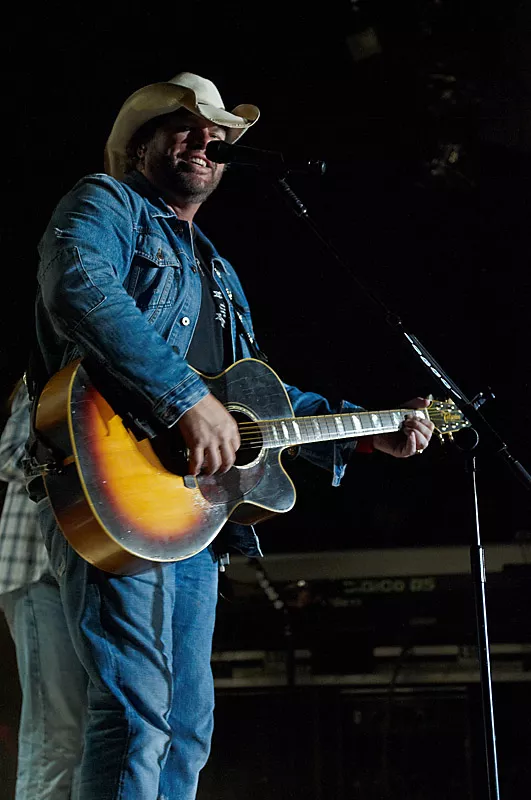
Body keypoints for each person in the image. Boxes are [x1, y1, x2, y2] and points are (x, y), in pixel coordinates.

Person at [27, 71, 434, 799]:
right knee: (134, 718)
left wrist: (371, 433)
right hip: (120, 488)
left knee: (186, 729)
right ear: (139, 144)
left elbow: (259, 399)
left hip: (195, 514)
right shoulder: (106, 202)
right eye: (182, 125)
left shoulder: (219, 269)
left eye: (216, 134)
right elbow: (78, 287)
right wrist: (183, 399)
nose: (204, 140)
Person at [0, 378, 87, 800]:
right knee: (57, 734)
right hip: (37, 569)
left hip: (87, 571)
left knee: (93, 734)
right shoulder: (44, 374)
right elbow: (9, 456)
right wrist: (88, 460)